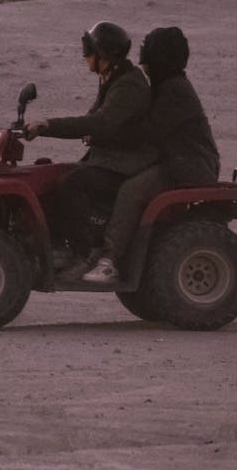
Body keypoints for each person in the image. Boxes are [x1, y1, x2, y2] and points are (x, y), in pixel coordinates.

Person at [83, 25, 220, 284]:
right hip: (172, 161)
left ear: (160, 59)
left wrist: (104, 134)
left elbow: (147, 133)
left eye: (148, 58)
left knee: (131, 191)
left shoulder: (175, 91)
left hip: (186, 167)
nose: (143, 65)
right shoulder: (166, 86)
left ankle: (109, 260)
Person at [25, 21, 158, 268]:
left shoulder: (129, 85)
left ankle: (81, 253)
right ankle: (52, 244)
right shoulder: (112, 78)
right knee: (47, 173)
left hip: (127, 164)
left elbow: (99, 122)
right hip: (109, 158)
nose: (85, 57)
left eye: (90, 52)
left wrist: (48, 125)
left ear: (105, 56)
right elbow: (93, 120)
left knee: (72, 183)